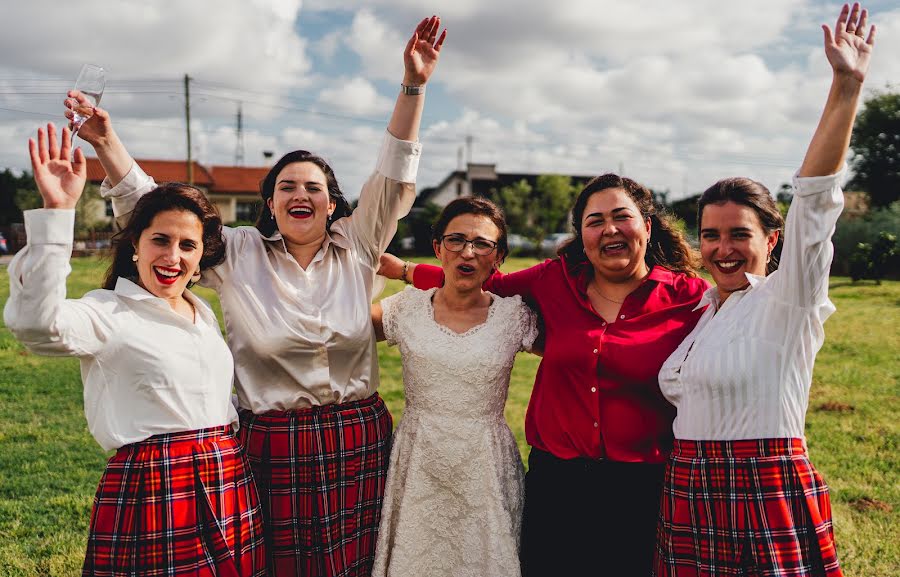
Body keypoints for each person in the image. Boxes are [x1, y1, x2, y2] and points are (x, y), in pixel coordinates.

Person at [67, 16, 446, 577]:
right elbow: (156, 207)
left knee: (360, 564)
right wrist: (106, 141)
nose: (300, 194)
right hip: (272, 446)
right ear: (268, 204)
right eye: (285, 187)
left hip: (356, 439)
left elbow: (393, 171)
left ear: (333, 203)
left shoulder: (360, 243)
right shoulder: (237, 253)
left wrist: (412, 86)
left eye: (313, 187)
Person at [383, 174, 709, 575]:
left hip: (642, 487)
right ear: (582, 234)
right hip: (558, 484)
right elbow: (482, 280)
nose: (609, 229)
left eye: (621, 216)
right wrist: (406, 270)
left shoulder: (691, 299)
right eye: (595, 220)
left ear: (647, 224)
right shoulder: (553, 280)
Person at [654, 5, 875, 576]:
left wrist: (845, 89)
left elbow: (816, 203)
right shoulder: (701, 311)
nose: (722, 249)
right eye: (710, 235)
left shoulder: (788, 299)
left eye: (739, 235)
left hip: (760, 491)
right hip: (689, 489)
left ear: (772, 239)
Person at [4, 124, 265, 576]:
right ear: (136, 246)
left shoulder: (201, 313)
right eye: (160, 240)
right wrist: (57, 214)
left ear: (202, 258)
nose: (172, 256)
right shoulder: (106, 312)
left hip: (228, 479)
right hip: (154, 489)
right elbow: (35, 326)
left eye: (188, 245)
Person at [370, 197, 538, 577]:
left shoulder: (514, 316)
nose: (468, 252)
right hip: (419, 459)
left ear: (498, 257)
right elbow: (340, 330)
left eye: (482, 244)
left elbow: (574, 351)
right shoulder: (404, 309)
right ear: (438, 247)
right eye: (456, 240)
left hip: (484, 462)